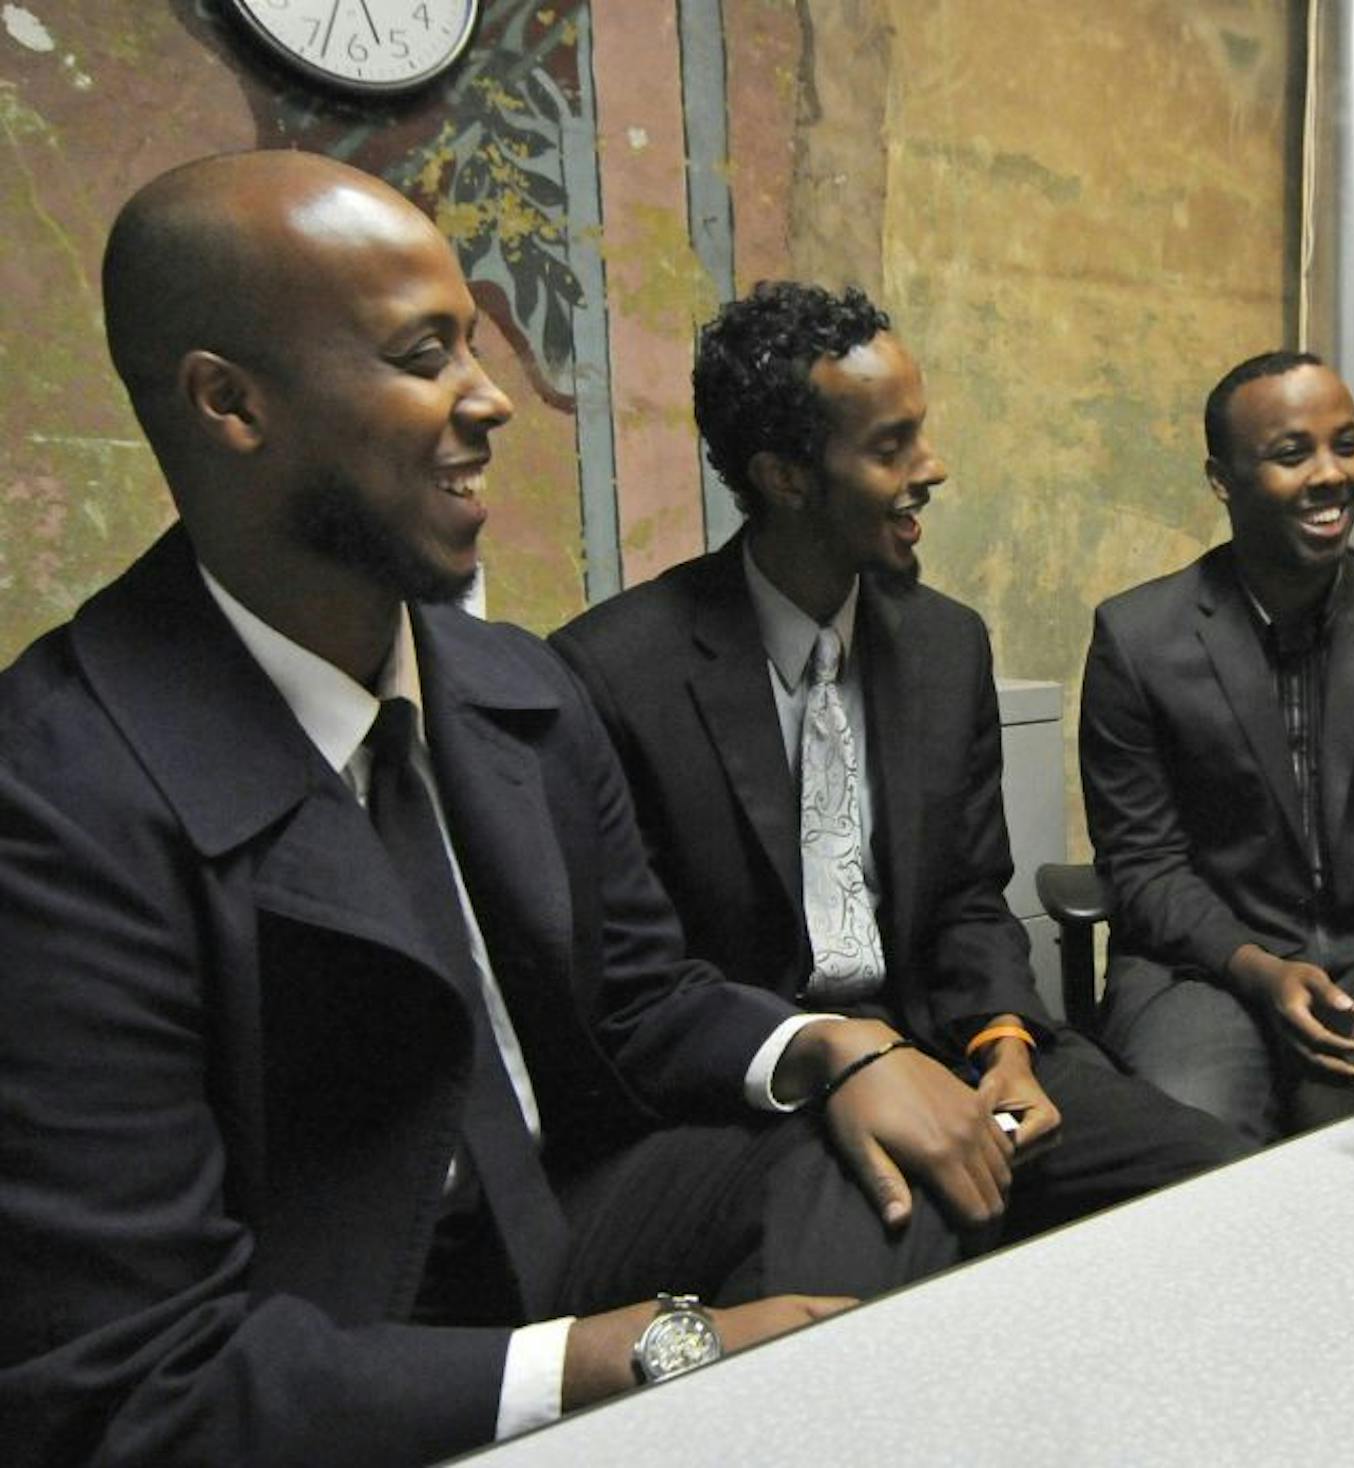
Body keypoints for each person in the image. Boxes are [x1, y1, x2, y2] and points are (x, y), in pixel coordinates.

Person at [0, 153, 969, 1467]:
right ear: (229, 404)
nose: (493, 398)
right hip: (326, 1344)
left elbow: (639, 995)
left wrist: (826, 1050)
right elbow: (128, 1381)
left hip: (566, 1229)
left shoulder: (518, 685)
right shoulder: (54, 794)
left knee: (865, 1171)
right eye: (423, 355)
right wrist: (615, 1361)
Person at [549, 282, 1247, 1243]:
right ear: (786, 476)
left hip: (955, 1047)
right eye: (890, 447)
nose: (934, 468)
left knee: (1218, 1183)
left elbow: (968, 900)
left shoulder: (945, 645)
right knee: (903, 1244)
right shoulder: (613, 673)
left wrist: (1006, 1044)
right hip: (770, 1093)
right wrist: (836, 1061)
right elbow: (640, 991)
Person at [1077, 350, 1354, 1147]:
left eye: (1346, 445)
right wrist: (1259, 967)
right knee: (1189, 1148)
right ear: (1222, 480)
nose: (1331, 475)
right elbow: (1143, 866)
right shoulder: (1138, 640)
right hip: (1206, 970)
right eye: (1293, 454)